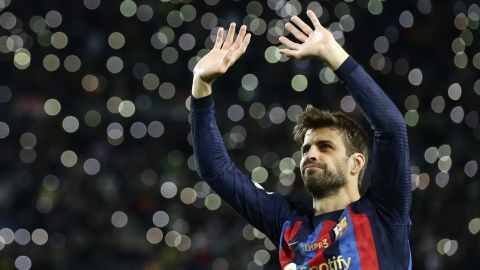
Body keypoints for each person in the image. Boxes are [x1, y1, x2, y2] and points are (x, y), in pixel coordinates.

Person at [190, 10, 411, 270]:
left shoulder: (384, 213)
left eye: (325, 146)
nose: (311, 154)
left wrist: (332, 52)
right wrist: (201, 86)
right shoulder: (287, 223)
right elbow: (216, 170)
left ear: (356, 163)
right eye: (306, 148)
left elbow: (391, 128)